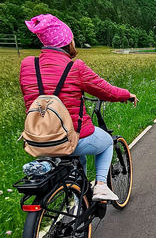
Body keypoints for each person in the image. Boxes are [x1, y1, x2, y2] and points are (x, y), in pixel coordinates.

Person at [20, 14, 138, 201]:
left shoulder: (28, 65)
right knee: (106, 141)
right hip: (69, 138)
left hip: (36, 141)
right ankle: (100, 186)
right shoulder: (75, 67)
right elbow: (106, 91)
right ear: (67, 42)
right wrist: (127, 94)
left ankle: (77, 200)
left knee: (76, 161)